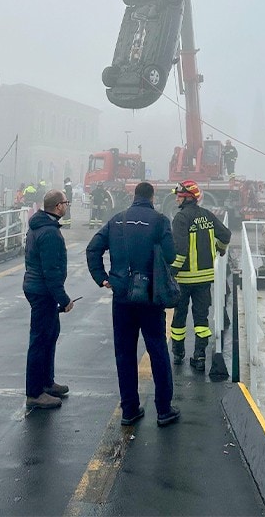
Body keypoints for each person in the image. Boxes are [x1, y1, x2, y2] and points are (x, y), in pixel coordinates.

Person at [86, 182, 180, 427]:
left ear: (133, 196)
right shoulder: (160, 220)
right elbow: (171, 255)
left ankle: (129, 410)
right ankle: (163, 410)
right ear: (152, 197)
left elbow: (93, 249)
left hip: (122, 296)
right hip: (150, 296)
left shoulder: (117, 220)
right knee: (158, 351)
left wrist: (102, 277)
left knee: (125, 353)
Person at [169, 180, 232, 371]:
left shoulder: (180, 219)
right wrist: (220, 250)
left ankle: (178, 354)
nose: (176, 198)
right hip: (205, 279)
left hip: (184, 279)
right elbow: (226, 235)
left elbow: (180, 251)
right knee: (201, 319)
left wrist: (171, 273)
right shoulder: (207, 215)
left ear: (187, 197)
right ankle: (200, 356)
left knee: (179, 318)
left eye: (179, 195)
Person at [23, 189, 75, 410]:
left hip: (39, 289)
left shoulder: (42, 227)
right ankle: (35, 393)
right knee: (40, 340)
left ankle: (47, 382)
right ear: (58, 206)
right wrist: (64, 300)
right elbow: (51, 271)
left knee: (50, 335)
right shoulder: (50, 233)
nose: (67, 205)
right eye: (66, 202)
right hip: (43, 291)